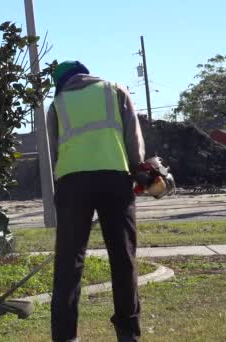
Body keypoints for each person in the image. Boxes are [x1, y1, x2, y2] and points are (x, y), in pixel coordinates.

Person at [46, 61, 146, 342]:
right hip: (114, 179)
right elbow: (133, 139)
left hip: (71, 184)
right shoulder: (116, 91)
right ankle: (128, 333)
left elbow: (54, 149)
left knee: (68, 262)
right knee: (123, 257)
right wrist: (137, 170)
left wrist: (65, 185)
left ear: (62, 82)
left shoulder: (57, 104)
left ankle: (65, 337)